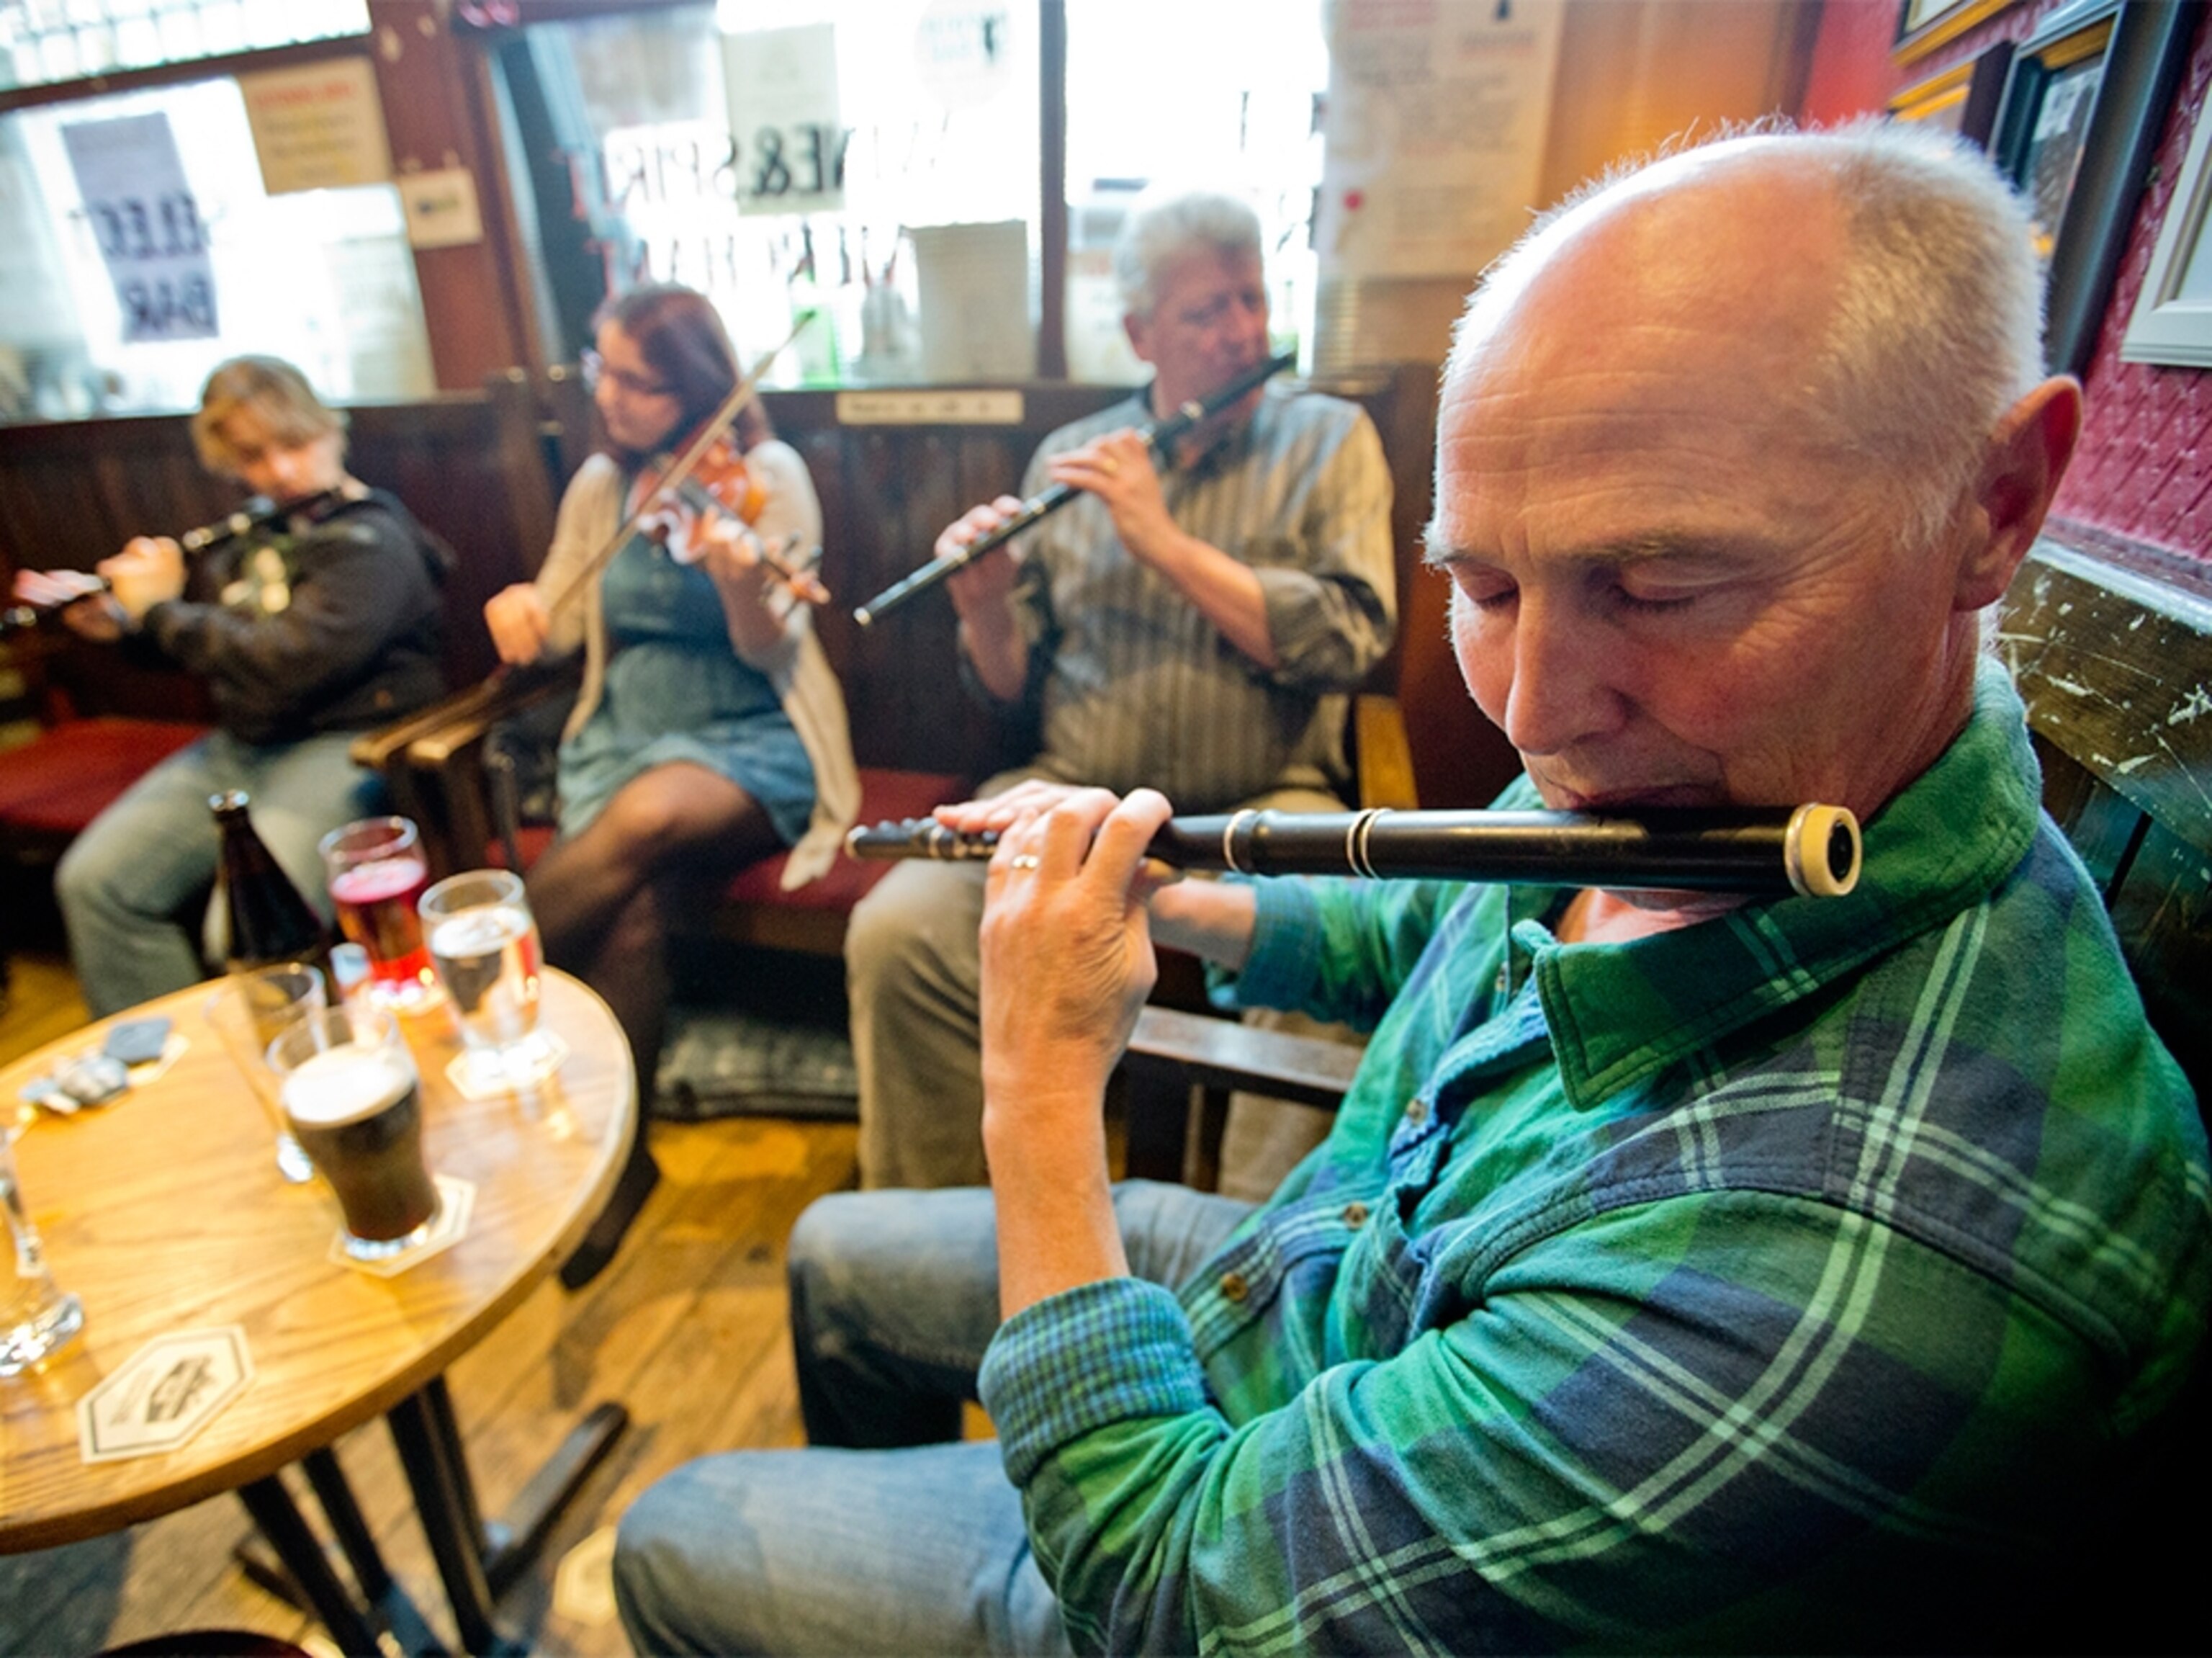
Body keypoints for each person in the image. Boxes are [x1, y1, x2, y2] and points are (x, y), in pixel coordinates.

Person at [611, 123, 2211, 1654]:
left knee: (671, 1535)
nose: (1536, 717)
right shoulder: (1704, 768)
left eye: (1657, 585)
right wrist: (1176, 894)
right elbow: (1424, 921)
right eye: (1487, 586)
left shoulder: (1860, 1265)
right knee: (834, 1252)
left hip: (1211, 1535)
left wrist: (1038, 1090)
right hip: (1332, 1263)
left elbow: (1171, 1594)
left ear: (1995, 507)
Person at [846, 187, 1396, 1190]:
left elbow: (1349, 640)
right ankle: (938, 1227)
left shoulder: (1330, 439)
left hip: (1267, 803)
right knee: (900, 929)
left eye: (1251, 299)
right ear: (1142, 335)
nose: (1242, 331)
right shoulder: (1072, 462)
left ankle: (1256, 1244)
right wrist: (985, 607)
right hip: (1072, 792)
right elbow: (1012, 691)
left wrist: (1164, 542)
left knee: (1334, 939)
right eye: (1206, 312)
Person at [481, 282, 858, 1286]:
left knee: (643, 820)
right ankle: (620, 1161)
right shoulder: (602, 486)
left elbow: (772, 644)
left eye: (637, 382)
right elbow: (562, 617)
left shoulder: (766, 477)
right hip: (622, 732)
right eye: (602, 371)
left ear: (695, 385)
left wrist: (740, 578)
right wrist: (522, 613)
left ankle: (471, 999)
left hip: (751, 734)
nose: (610, 397)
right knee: (632, 906)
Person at [42, 356, 447, 1018]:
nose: (281, 471)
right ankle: (171, 1063)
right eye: (254, 456)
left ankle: (293, 1058)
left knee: (245, 927)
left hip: (347, 745)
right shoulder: (256, 534)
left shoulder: (372, 539)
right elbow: (223, 648)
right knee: (97, 883)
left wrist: (158, 612)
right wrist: (122, 626)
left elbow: (287, 660)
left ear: (329, 428)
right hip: (244, 746)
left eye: (294, 443)